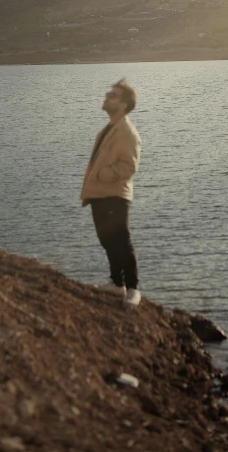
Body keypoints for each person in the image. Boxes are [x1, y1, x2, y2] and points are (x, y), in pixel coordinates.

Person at [81, 79, 142, 307]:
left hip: (115, 194)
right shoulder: (108, 129)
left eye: (113, 95)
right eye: (109, 93)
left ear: (124, 105)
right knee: (107, 239)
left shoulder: (126, 132)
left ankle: (133, 288)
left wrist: (103, 174)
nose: (107, 97)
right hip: (100, 193)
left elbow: (129, 166)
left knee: (121, 239)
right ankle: (117, 284)